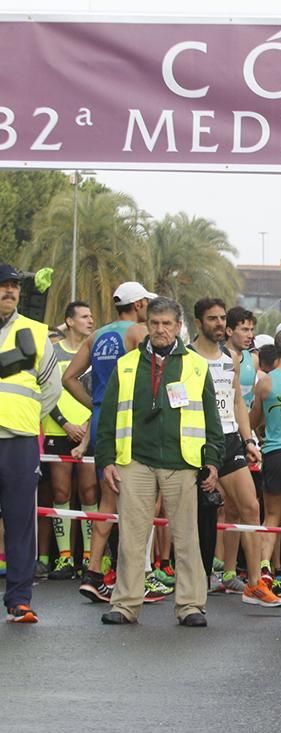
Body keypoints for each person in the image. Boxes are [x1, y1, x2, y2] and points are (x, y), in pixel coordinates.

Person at [96, 297, 224, 626]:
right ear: (147, 326)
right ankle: (124, 604)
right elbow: (108, 416)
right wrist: (106, 459)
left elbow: (212, 418)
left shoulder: (195, 365)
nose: (161, 330)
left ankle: (191, 606)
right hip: (134, 459)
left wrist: (212, 460)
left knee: (186, 538)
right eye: (155, 324)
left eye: (167, 324)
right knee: (131, 537)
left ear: (179, 326)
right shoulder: (126, 366)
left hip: (181, 461)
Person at [189, 298, 281, 607]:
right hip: (195, 440)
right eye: (212, 319)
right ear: (199, 322)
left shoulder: (232, 357)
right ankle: (191, 580)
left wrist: (249, 441)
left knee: (250, 506)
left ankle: (254, 584)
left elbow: (237, 402)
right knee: (193, 514)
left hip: (229, 438)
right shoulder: (186, 356)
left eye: (220, 318)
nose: (217, 323)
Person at [64, 281, 153, 603]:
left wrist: (96, 406)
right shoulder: (139, 333)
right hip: (131, 422)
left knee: (107, 501)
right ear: (140, 305)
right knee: (140, 501)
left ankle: (94, 574)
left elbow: (68, 379)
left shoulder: (96, 335)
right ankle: (134, 579)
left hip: (104, 420)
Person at [0, 263, 62, 623]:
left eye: (14, 286)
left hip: (19, 441)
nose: (10, 291)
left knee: (21, 522)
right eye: (3, 286)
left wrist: (25, 414)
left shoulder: (35, 333)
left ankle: (20, 599)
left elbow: (51, 387)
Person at [42, 301, 98, 580]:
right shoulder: (53, 351)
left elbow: (99, 394)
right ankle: (64, 558)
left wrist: (87, 427)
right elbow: (45, 390)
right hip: (58, 430)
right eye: (85, 316)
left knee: (89, 491)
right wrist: (66, 425)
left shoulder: (94, 352)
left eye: (91, 316)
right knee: (61, 493)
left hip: (88, 432)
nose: (90, 320)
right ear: (70, 321)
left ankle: (90, 557)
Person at [249, 326, 281, 596]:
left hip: (274, 452)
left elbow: (253, 419)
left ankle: (266, 569)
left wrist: (257, 437)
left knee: (273, 516)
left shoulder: (265, 381)